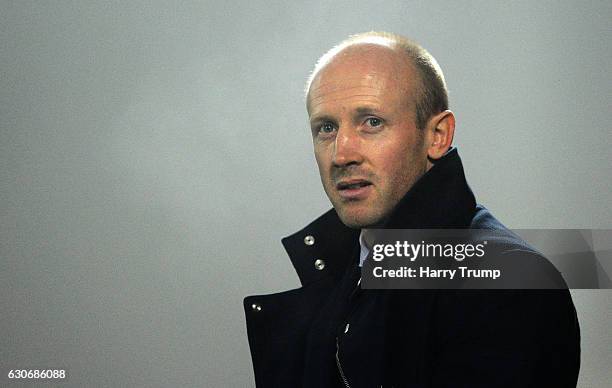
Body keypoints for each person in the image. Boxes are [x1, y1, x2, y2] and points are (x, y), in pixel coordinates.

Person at [244, 31, 580, 387]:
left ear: (437, 135)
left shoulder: (511, 283)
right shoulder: (353, 271)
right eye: (326, 128)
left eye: (372, 122)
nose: (342, 154)